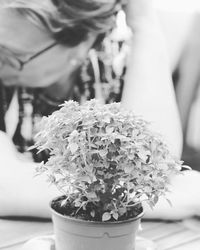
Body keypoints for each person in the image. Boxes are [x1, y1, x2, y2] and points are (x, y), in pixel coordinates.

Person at [0, 0, 199, 219]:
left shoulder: (121, 65)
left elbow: (155, 172)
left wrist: (145, 26)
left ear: (80, 44)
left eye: (10, 56)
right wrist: (152, 200)